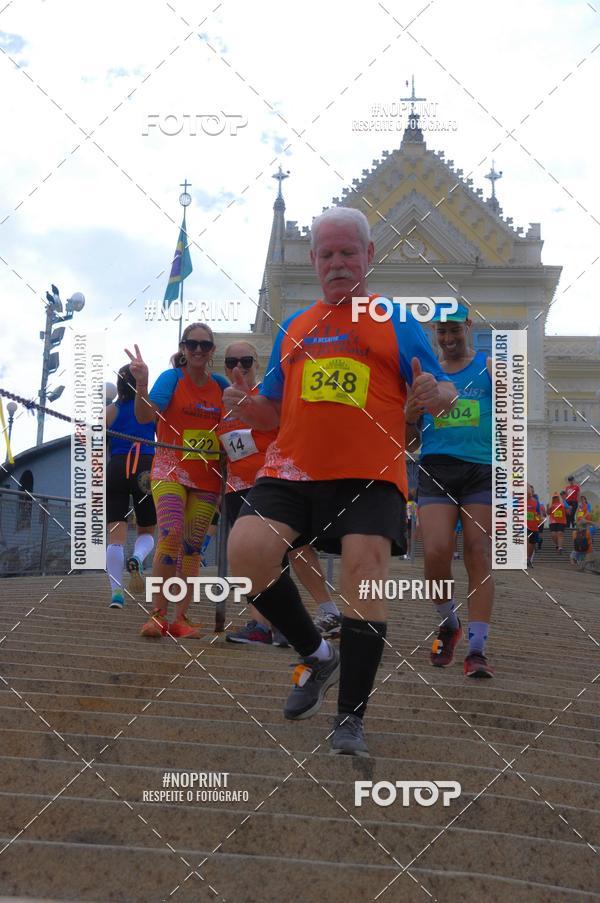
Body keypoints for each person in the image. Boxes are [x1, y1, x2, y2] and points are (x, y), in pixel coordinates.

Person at [224, 207, 455, 757]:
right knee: (246, 549)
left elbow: (443, 391)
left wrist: (435, 397)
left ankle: (350, 718)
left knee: (364, 573)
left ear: (369, 256)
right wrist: (242, 406)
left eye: (347, 251)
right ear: (314, 261)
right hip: (293, 469)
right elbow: (272, 410)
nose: (337, 263)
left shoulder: (395, 320)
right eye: (326, 254)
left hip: (370, 473)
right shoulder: (297, 328)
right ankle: (316, 654)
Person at [218, 341, 341, 645]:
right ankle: (266, 625)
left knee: (296, 548)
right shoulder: (224, 403)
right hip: (237, 488)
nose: (239, 368)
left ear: (256, 364)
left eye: (246, 361)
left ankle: (328, 610)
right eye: (232, 362)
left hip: (274, 483)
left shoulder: (268, 397)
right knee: (254, 558)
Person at [406, 303, 494, 679]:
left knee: (478, 550)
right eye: (441, 331)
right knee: (437, 551)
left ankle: (477, 649)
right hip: (437, 468)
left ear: (468, 326)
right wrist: (410, 413)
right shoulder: (425, 373)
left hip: (482, 469)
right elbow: (409, 442)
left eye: (454, 329)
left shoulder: (490, 366)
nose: (448, 337)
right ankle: (449, 621)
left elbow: (510, 419)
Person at [125, 322, 228, 639]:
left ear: (212, 351)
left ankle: (181, 617)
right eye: (191, 344)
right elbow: (145, 417)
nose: (198, 350)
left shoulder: (221, 385)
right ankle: (157, 614)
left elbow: (230, 433)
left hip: (207, 477)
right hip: (170, 469)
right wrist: (141, 384)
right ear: (183, 348)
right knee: (170, 536)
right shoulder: (172, 378)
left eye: (204, 345)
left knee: (192, 547)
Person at [105, 365, 157, 608]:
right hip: (146, 465)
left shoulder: (110, 411)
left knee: (115, 536)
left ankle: (117, 592)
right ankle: (137, 557)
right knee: (146, 530)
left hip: (116, 466)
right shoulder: (149, 408)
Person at [527, 484, 542, 567]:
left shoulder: (535, 502)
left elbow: (538, 514)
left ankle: (528, 559)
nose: (530, 492)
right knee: (526, 540)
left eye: (531, 491)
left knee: (532, 543)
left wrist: (538, 519)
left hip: (533, 525)